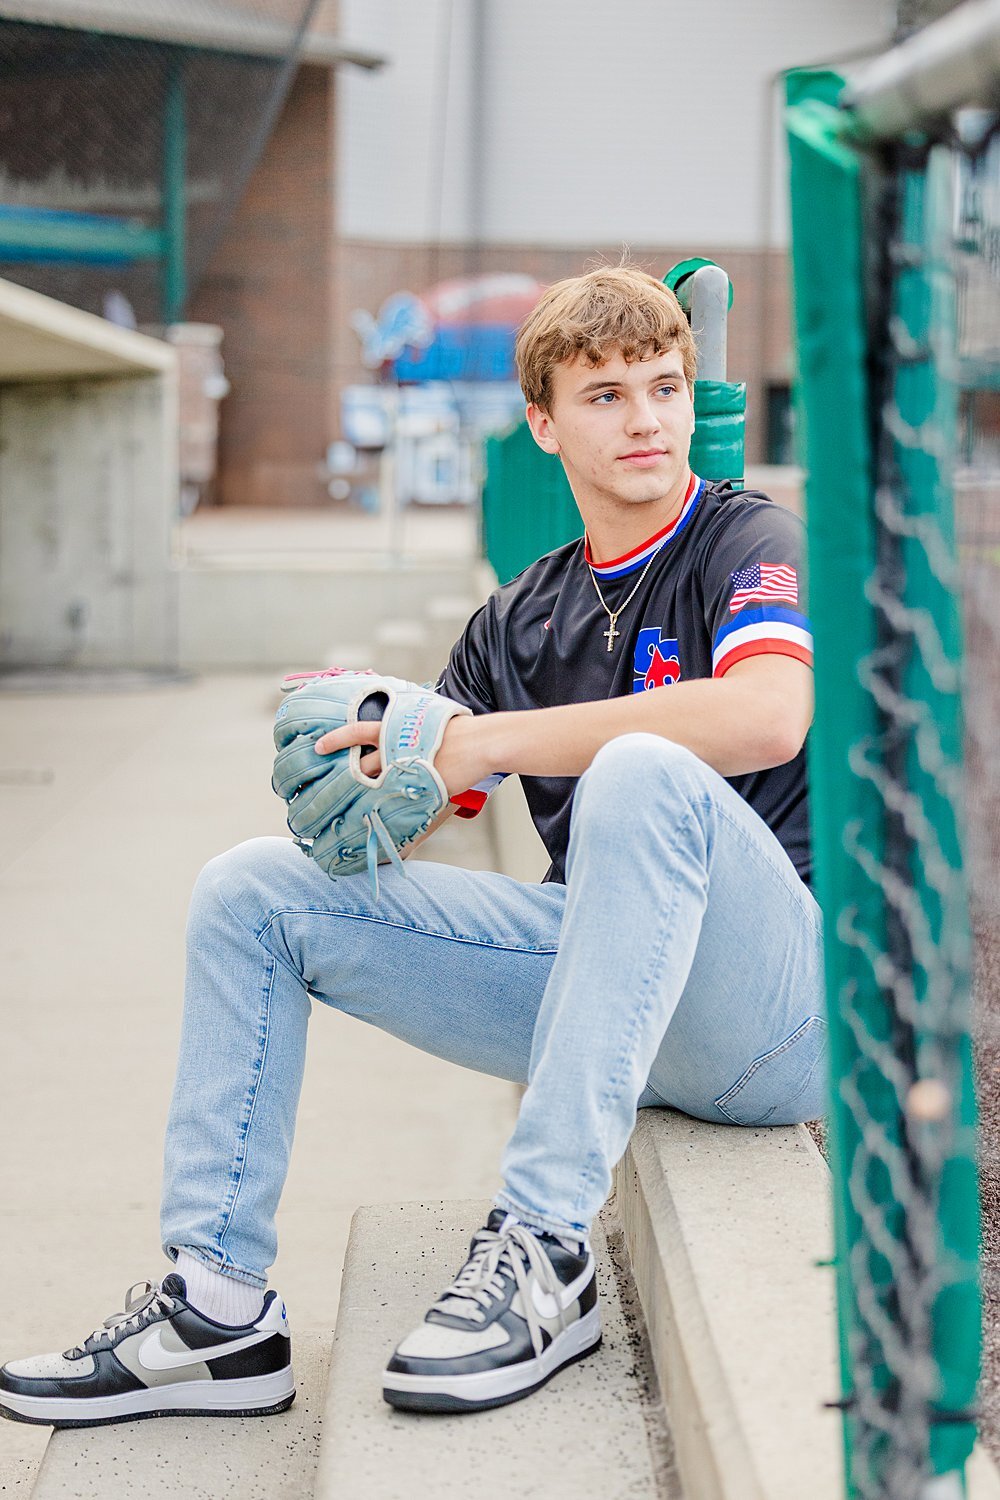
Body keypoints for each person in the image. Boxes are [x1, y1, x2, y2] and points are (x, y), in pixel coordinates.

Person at [0, 263, 824, 1427]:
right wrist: (367, 751)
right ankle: (218, 1311)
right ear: (541, 422)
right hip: (615, 991)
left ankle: (545, 1243)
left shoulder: (744, 536)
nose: (646, 418)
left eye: (666, 385)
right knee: (249, 892)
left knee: (644, 770)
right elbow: (420, 824)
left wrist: (490, 741)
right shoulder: (514, 619)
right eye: (605, 395)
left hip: (776, 1007)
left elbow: (766, 715)